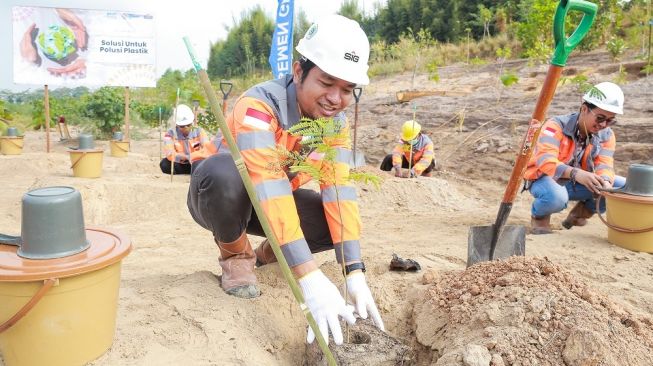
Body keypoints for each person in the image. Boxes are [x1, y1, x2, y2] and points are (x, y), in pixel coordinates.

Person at [187, 15, 384, 345]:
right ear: (298, 72)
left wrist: (354, 270)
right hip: (221, 196)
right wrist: (307, 275)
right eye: (327, 83)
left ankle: (268, 254)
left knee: (328, 219)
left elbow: (340, 189)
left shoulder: (334, 124)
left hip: (274, 202)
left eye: (347, 89)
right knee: (223, 175)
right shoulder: (259, 107)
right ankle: (236, 256)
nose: (336, 99)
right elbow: (268, 183)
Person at [524, 82, 627, 234]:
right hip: (545, 179)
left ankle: (579, 213)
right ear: (584, 109)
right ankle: (540, 217)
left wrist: (605, 180)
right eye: (600, 118)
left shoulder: (607, 135)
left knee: (621, 187)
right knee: (556, 198)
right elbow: (546, 161)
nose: (604, 124)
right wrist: (576, 174)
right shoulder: (555, 126)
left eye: (610, 120)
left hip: (579, 181)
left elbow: (604, 165)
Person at [160, 104, 210, 175]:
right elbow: (170, 154)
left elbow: (207, 148)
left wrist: (194, 156)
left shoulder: (199, 131)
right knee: (164, 164)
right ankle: (193, 171)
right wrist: (187, 157)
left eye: (188, 125)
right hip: (181, 162)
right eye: (182, 126)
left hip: (196, 161)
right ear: (177, 125)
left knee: (207, 163)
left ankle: (196, 170)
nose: (186, 128)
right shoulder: (170, 134)